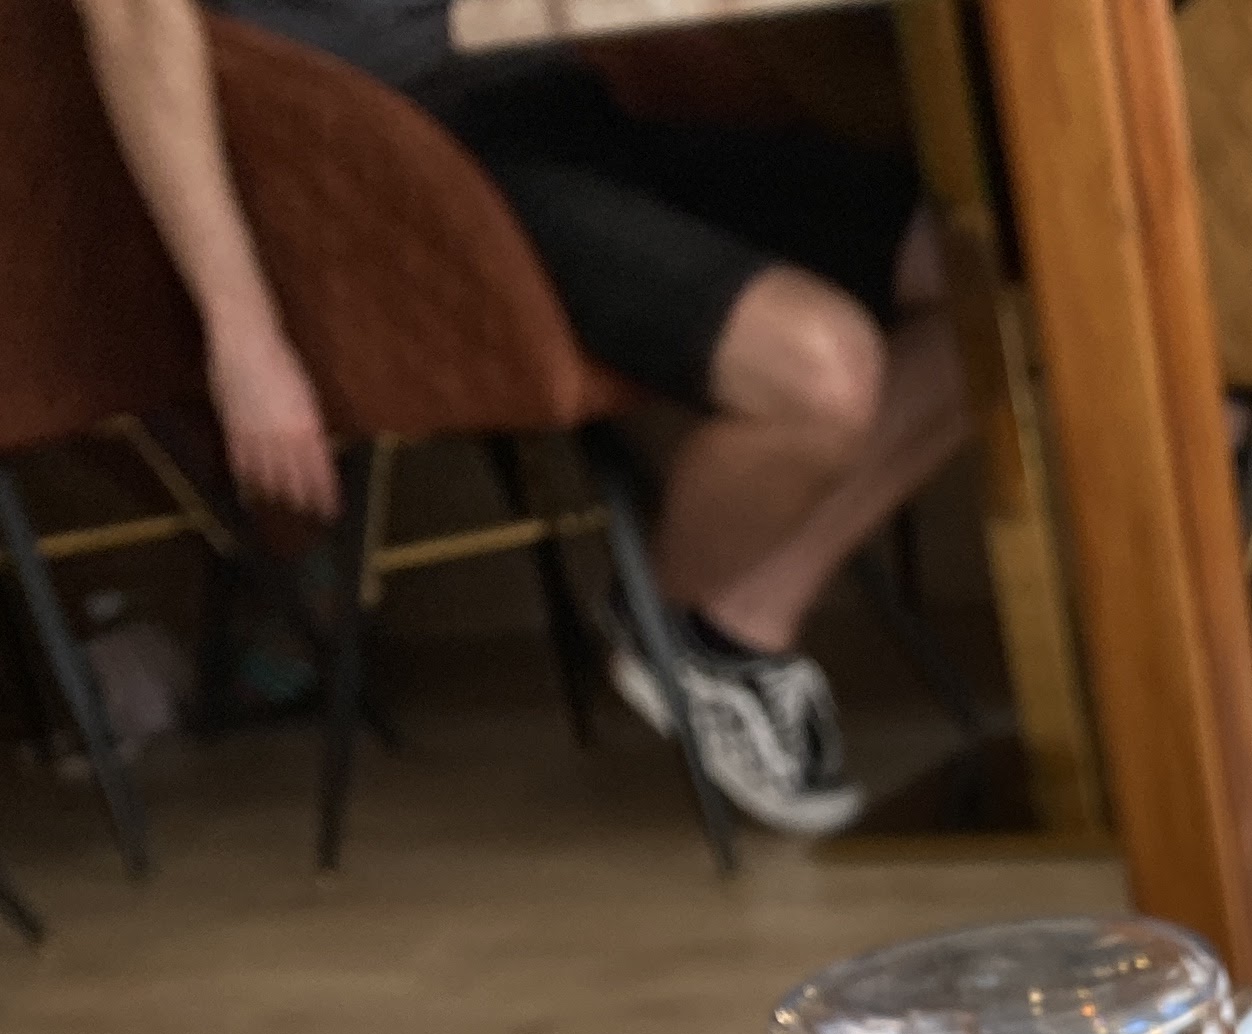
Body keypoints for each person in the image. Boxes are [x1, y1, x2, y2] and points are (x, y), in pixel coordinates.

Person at [74, 0, 973, 834]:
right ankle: (701, 626)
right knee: (819, 373)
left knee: (999, 261)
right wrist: (243, 336)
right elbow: (131, 29)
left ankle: (722, 626)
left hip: (556, 102)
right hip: (408, 172)